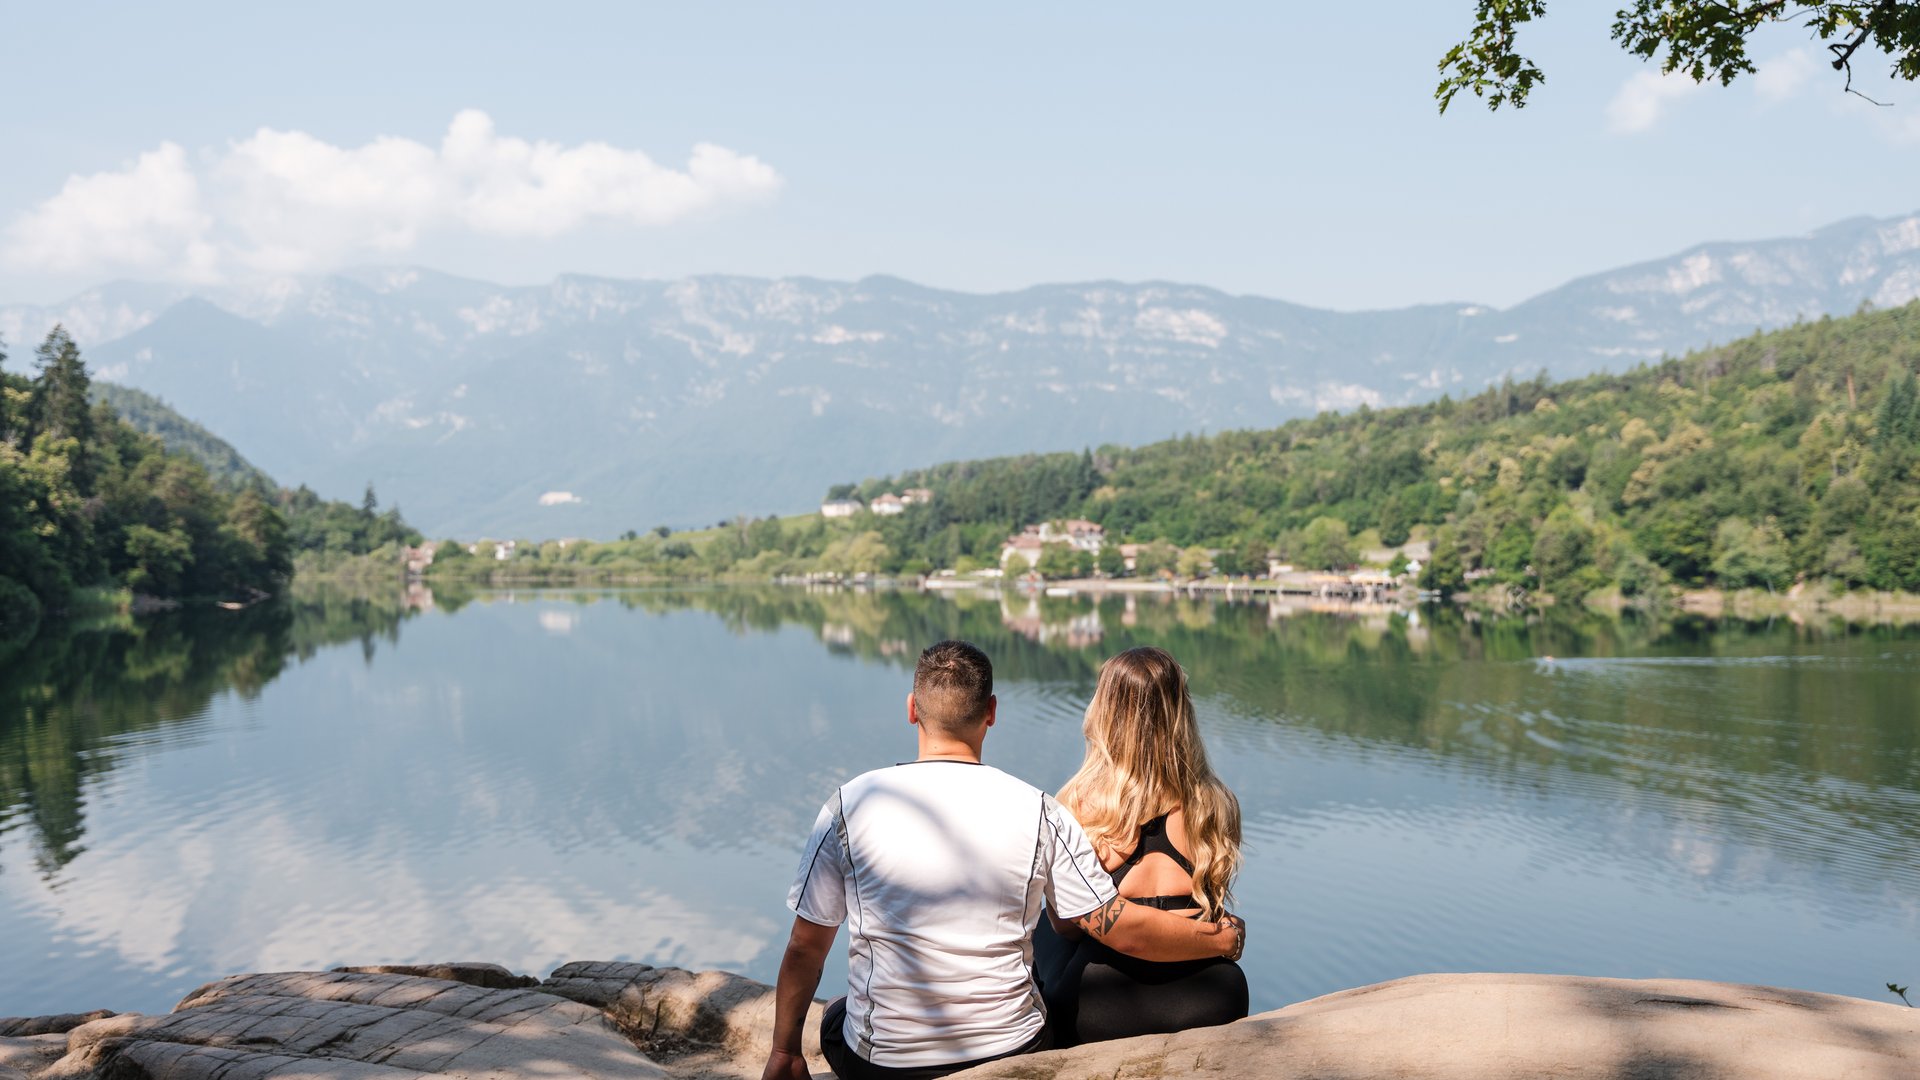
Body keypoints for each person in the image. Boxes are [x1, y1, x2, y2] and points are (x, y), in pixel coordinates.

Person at [761, 640, 1245, 1080]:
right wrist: (1225, 936)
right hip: (1020, 1046)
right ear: (991, 712)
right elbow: (1105, 919)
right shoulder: (1043, 810)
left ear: (912, 710)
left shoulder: (849, 804)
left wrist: (784, 1052)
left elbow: (806, 947)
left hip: (890, 1063)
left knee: (836, 1018)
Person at [1033, 646, 1249, 1047]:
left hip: (1101, 999)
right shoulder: (1216, 803)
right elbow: (1213, 907)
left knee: (1046, 924)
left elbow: (1068, 926)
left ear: (1104, 712)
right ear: (1180, 711)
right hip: (1211, 993)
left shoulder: (1080, 802)